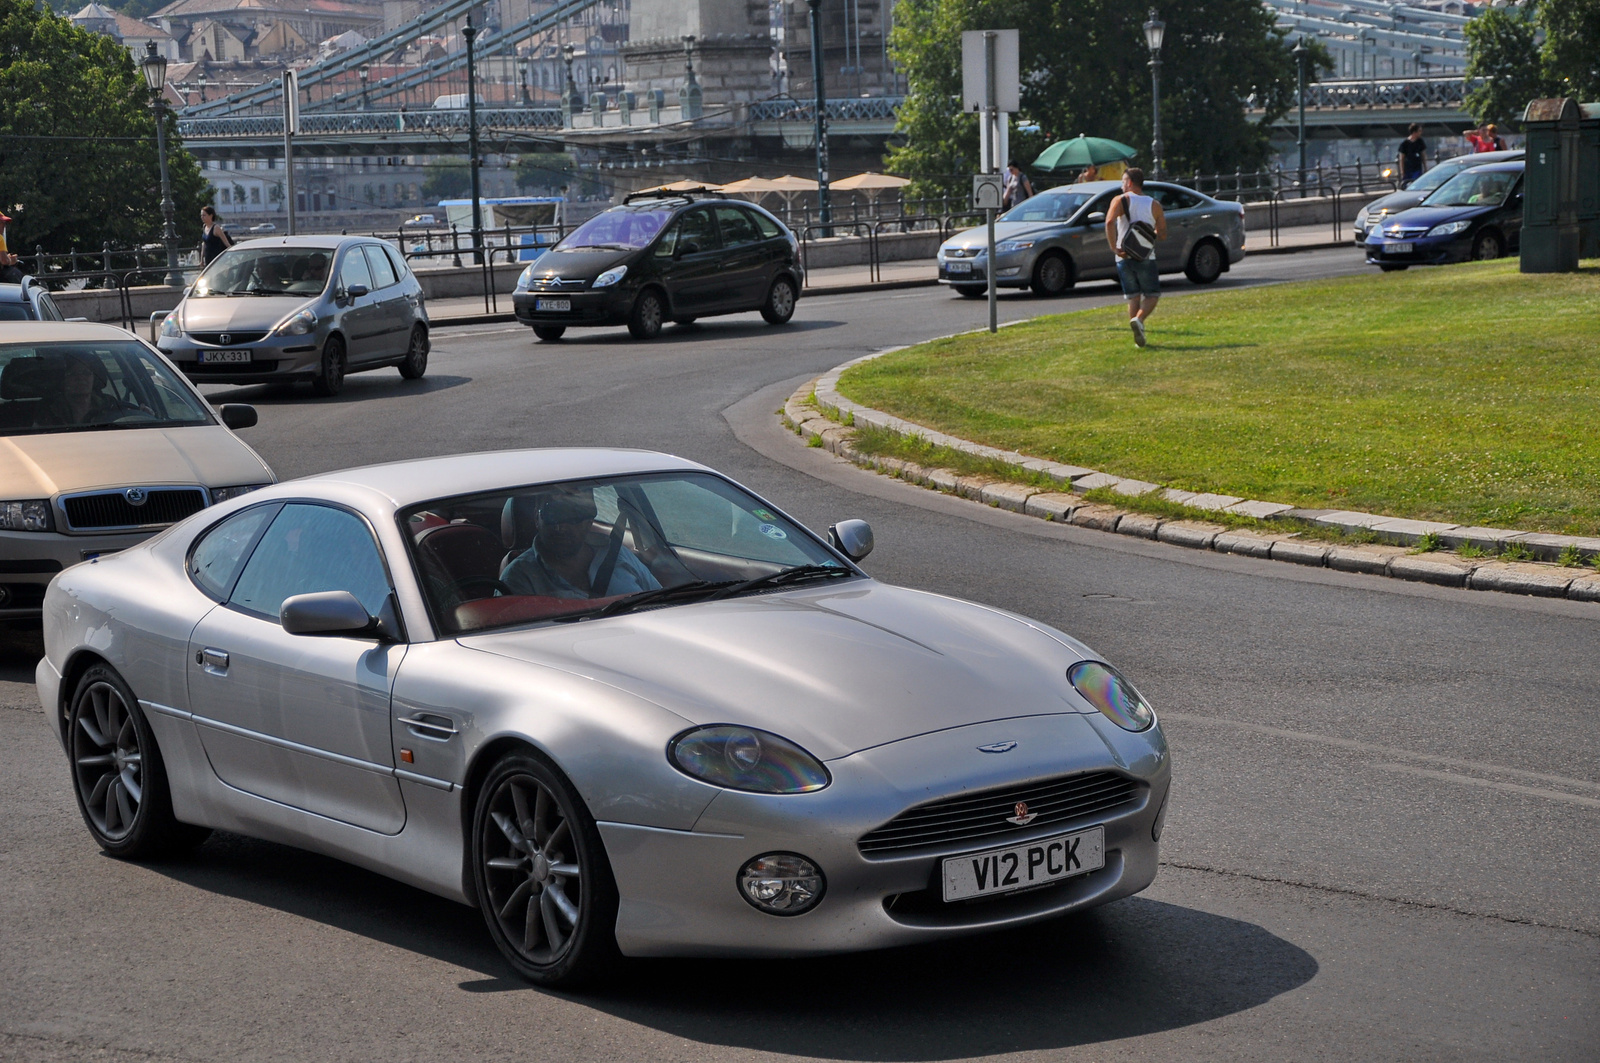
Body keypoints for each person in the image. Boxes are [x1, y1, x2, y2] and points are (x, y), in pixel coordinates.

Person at [501, 487, 661, 599]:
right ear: (536, 517)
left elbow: (660, 602)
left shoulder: (618, 554)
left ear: (589, 520)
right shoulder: (518, 577)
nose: (561, 528)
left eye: (573, 516)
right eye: (552, 515)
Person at [1104, 167, 1166, 348]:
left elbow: (1109, 222)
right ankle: (1139, 320)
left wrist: (1114, 247)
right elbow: (1162, 234)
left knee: (1133, 296)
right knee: (1152, 295)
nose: (1122, 185)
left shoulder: (1120, 200)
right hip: (1145, 255)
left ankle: (1137, 330)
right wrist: (1148, 233)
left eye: (1123, 181)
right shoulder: (1154, 204)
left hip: (1124, 256)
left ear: (1130, 183)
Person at [1396, 123, 1427, 188]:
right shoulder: (1405, 144)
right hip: (1408, 169)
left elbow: (1423, 155)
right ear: (1414, 132)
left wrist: (1425, 167)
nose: (1421, 133)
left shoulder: (1420, 142)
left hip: (1417, 168)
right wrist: (1402, 171)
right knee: (1407, 185)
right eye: (1419, 131)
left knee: (1417, 184)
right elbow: (1401, 158)